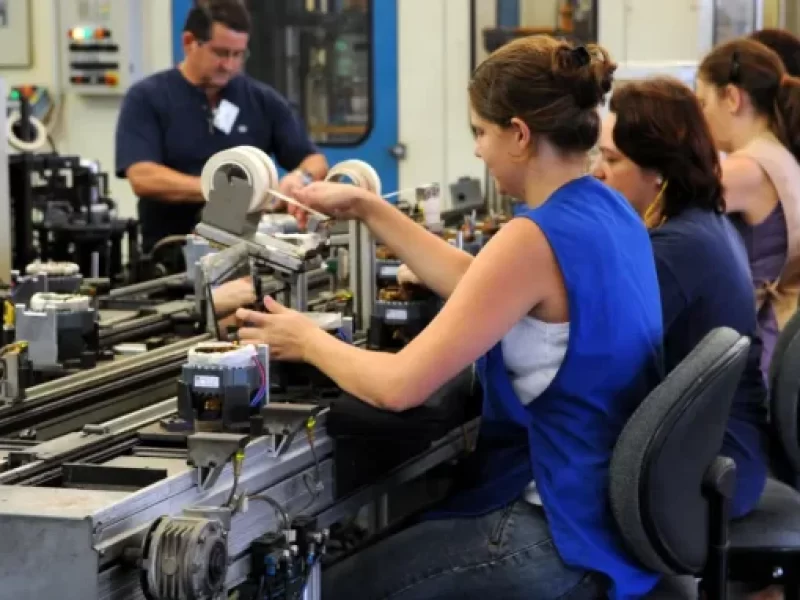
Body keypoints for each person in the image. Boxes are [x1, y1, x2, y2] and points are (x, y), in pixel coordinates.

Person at [235, 35, 666, 599]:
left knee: (324, 588)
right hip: (608, 516)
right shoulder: (609, 207)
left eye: (480, 133)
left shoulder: (532, 237)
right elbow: (479, 284)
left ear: (518, 134)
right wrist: (368, 208)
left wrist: (307, 339)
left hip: (552, 533)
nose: (478, 152)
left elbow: (398, 387)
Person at [592, 76, 769, 519]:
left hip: (707, 470)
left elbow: (595, 354)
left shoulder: (675, 250)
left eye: (612, 159)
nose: (597, 170)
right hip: (726, 453)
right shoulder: (702, 222)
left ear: (658, 172)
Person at [114, 0, 328, 253]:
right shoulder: (148, 97)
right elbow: (143, 176)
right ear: (189, 42)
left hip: (248, 252)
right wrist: (224, 193)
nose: (229, 65)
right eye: (220, 53)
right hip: (170, 253)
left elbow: (315, 160)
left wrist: (299, 178)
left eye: (238, 54)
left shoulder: (261, 100)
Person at [696, 37, 800, 379]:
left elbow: (671, 207)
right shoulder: (777, 154)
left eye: (702, 102)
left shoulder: (746, 169)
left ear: (732, 98)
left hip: (761, 346)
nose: (701, 117)